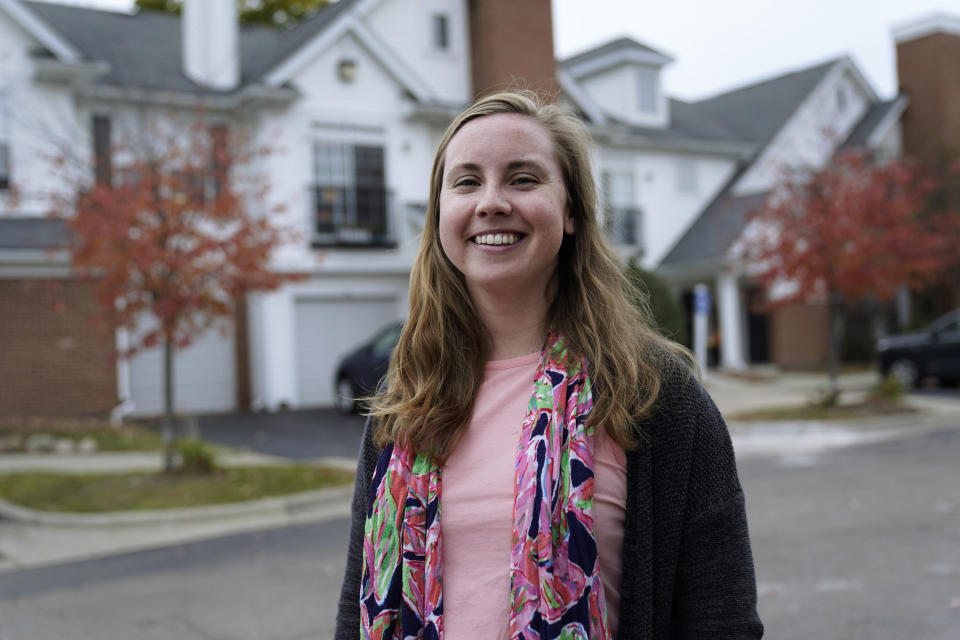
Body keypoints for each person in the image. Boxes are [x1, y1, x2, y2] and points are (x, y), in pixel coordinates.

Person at [335, 90, 763, 640]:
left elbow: (720, 620)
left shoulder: (654, 393)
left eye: (522, 179)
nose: (491, 202)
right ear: (440, 215)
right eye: (466, 182)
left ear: (571, 212)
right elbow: (356, 609)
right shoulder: (407, 397)